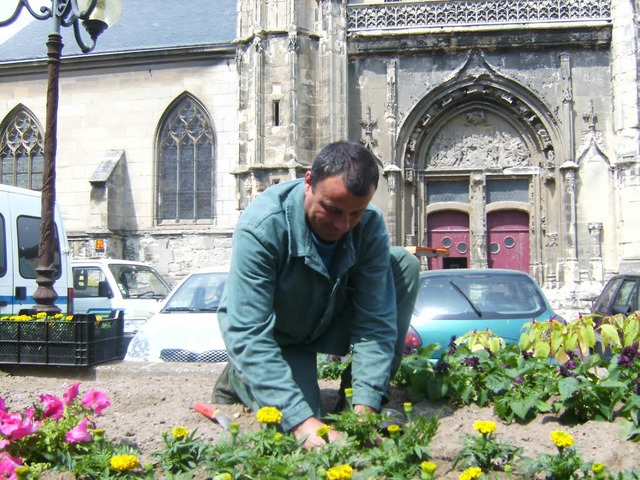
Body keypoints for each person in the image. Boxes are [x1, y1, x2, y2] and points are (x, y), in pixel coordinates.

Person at [215, 140, 420, 449]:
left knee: (403, 264)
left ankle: (358, 399)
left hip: (327, 317)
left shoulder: (370, 225)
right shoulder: (262, 226)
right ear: (308, 182)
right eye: (332, 209)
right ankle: (238, 377)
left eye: (356, 213)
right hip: (280, 335)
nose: (343, 224)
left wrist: (364, 410)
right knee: (302, 421)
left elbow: (375, 321)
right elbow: (248, 331)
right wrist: (302, 423)